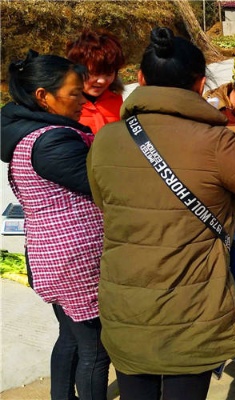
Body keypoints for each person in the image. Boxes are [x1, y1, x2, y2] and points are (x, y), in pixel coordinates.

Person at [86, 27, 235, 400]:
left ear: (141, 79)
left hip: (126, 299)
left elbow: (104, 203)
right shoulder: (218, 142)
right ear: (199, 85)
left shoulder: (106, 139)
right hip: (193, 305)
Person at [0, 50, 110, 400]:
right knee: (96, 349)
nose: (82, 100)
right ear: (43, 96)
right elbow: (103, 186)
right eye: (74, 93)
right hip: (74, 262)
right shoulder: (52, 141)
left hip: (52, 255)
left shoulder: (29, 131)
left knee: (71, 338)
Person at [66, 29, 126, 135]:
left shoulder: (117, 99)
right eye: (94, 73)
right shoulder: (64, 104)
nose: (102, 81)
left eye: (108, 74)